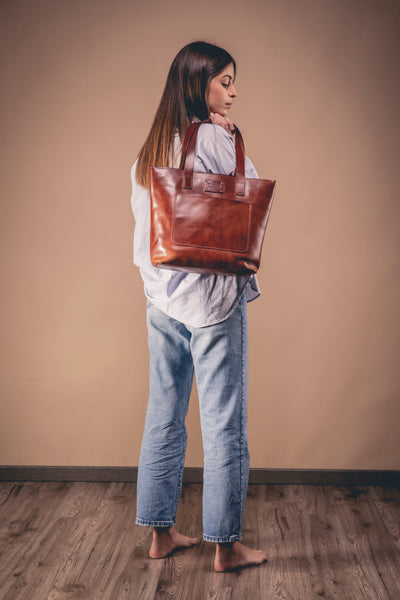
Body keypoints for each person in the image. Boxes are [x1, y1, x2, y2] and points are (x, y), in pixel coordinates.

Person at [130, 41, 268, 572]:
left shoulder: (149, 147)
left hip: (161, 298)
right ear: (198, 83)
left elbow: (144, 229)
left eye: (233, 82)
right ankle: (225, 545)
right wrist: (236, 144)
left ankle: (160, 535)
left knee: (164, 413)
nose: (232, 92)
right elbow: (250, 196)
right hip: (212, 297)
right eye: (224, 81)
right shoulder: (212, 137)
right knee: (224, 422)